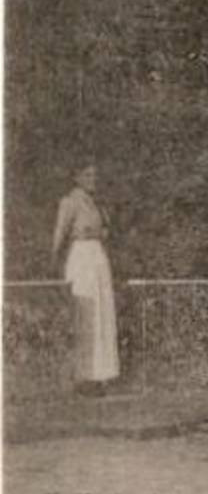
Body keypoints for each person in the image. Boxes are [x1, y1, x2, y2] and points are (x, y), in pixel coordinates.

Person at [52, 164, 119, 392]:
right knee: (86, 316)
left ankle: (101, 375)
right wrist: (54, 264)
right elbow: (60, 234)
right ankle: (83, 377)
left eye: (95, 175)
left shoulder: (97, 203)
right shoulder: (69, 201)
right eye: (88, 175)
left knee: (102, 315)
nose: (93, 179)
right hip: (81, 259)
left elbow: (107, 231)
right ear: (76, 177)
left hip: (99, 258)